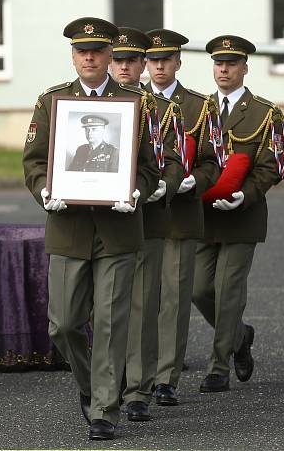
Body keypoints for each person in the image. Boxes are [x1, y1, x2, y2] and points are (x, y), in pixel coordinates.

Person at [22, 17, 160, 441]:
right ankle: (91, 385)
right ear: (73, 56)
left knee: (109, 324)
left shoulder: (138, 104)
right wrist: (46, 190)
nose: (89, 57)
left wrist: (134, 191)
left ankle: (104, 409)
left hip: (118, 230)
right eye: (82, 51)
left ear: (109, 56)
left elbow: (151, 168)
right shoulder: (53, 102)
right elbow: (33, 161)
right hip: (69, 227)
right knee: (61, 324)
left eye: (97, 51)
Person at [192, 35, 283, 393]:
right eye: (218, 63)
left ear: (245, 68)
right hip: (205, 215)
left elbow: (273, 164)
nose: (224, 69)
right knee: (199, 289)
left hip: (243, 215)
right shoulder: (199, 110)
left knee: (228, 290)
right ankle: (240, 335)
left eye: (231, 63)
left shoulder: (265, 112)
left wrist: (244, 195)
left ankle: (218, 366)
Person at [109, 27, 182, 422]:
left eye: (131, 60)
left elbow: (174, 159)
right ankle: (108, 381)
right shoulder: (83, 102)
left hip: (146, 218)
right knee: (101, 307)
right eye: (116, 59)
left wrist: (161, 186)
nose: (123, 66)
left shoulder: (159, 109)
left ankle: (137, 388)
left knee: (140, 305)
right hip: (99, 220)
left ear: (142, 65)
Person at [144, 28, 219, 406]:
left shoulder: (201, 106)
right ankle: (139, 371)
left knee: (173, 298)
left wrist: (195, 180)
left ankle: (165, 377)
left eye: (166, 59)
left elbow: (214, 160)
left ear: (178, 62)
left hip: (180, 214)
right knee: (144, 298)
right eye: (153, 59)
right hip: (139, 215)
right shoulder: (133, 100)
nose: (159, 65)